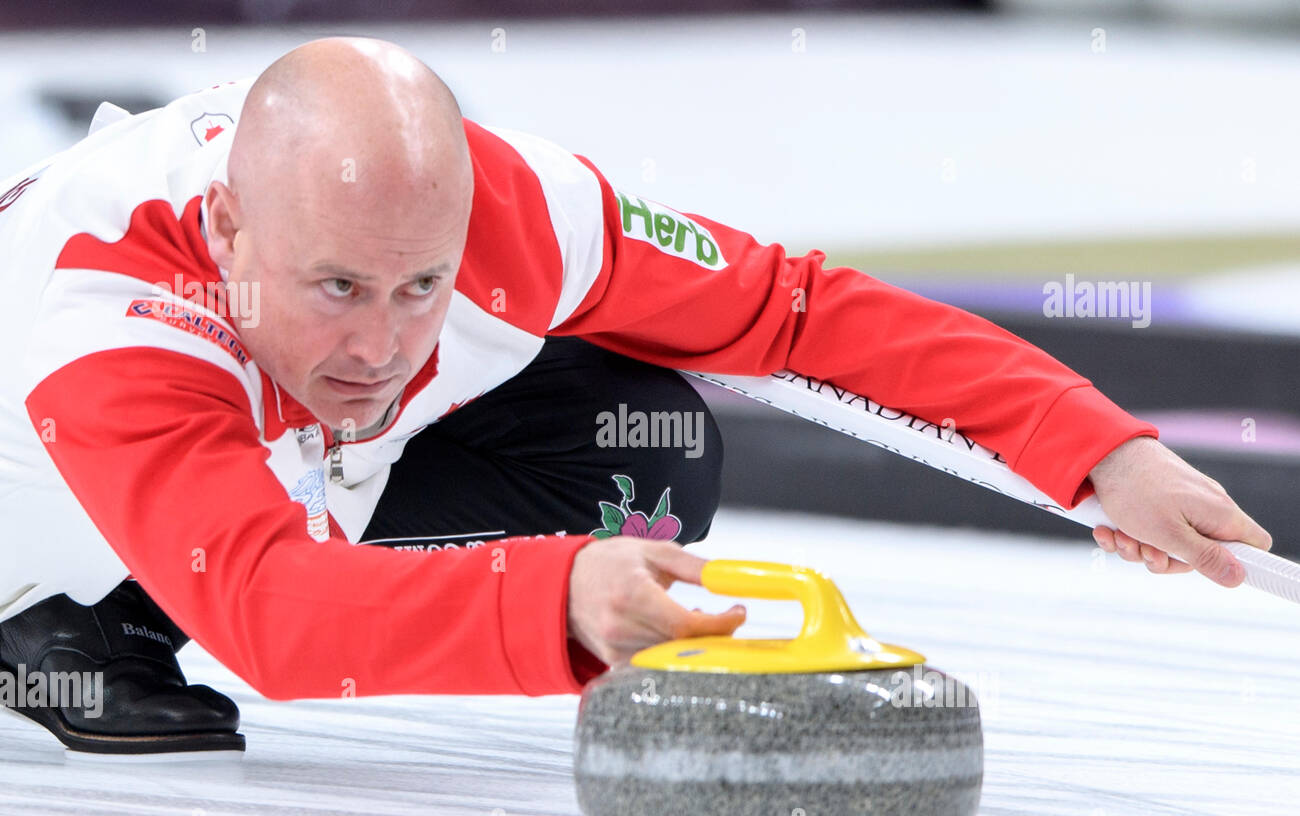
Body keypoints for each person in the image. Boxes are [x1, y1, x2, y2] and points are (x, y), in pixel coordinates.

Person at [0, 38, 1271, 755]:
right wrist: (549, 594)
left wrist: (1098, 452)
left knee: (641, 459)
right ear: (226, 230)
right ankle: (69, 619)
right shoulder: (104, 312)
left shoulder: (520, 204)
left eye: (421, 285)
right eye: (337, 284)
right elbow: (276, 612)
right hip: (66, 501)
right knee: (264, 548)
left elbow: (795, 314)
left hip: (229, 462)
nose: (381, 345)